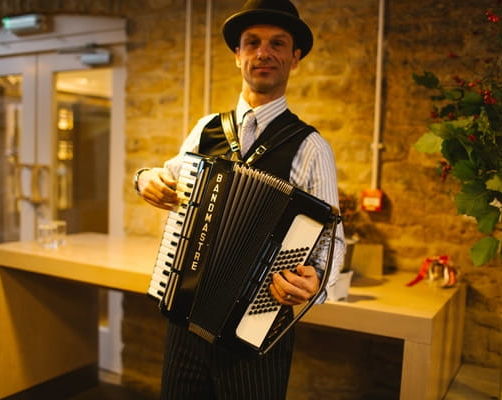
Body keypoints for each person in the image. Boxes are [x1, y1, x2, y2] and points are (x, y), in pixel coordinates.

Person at [134, 0, 345, 398]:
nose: (264, 53)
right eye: (253, 43)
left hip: (257, 329)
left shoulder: (312, 146)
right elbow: (166, 176)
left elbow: (331, 243)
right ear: (238, 55)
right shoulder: (205, 130)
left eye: (278, 44)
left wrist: (316, 280)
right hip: (184, 317)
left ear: (294, 58)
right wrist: (142, 178)